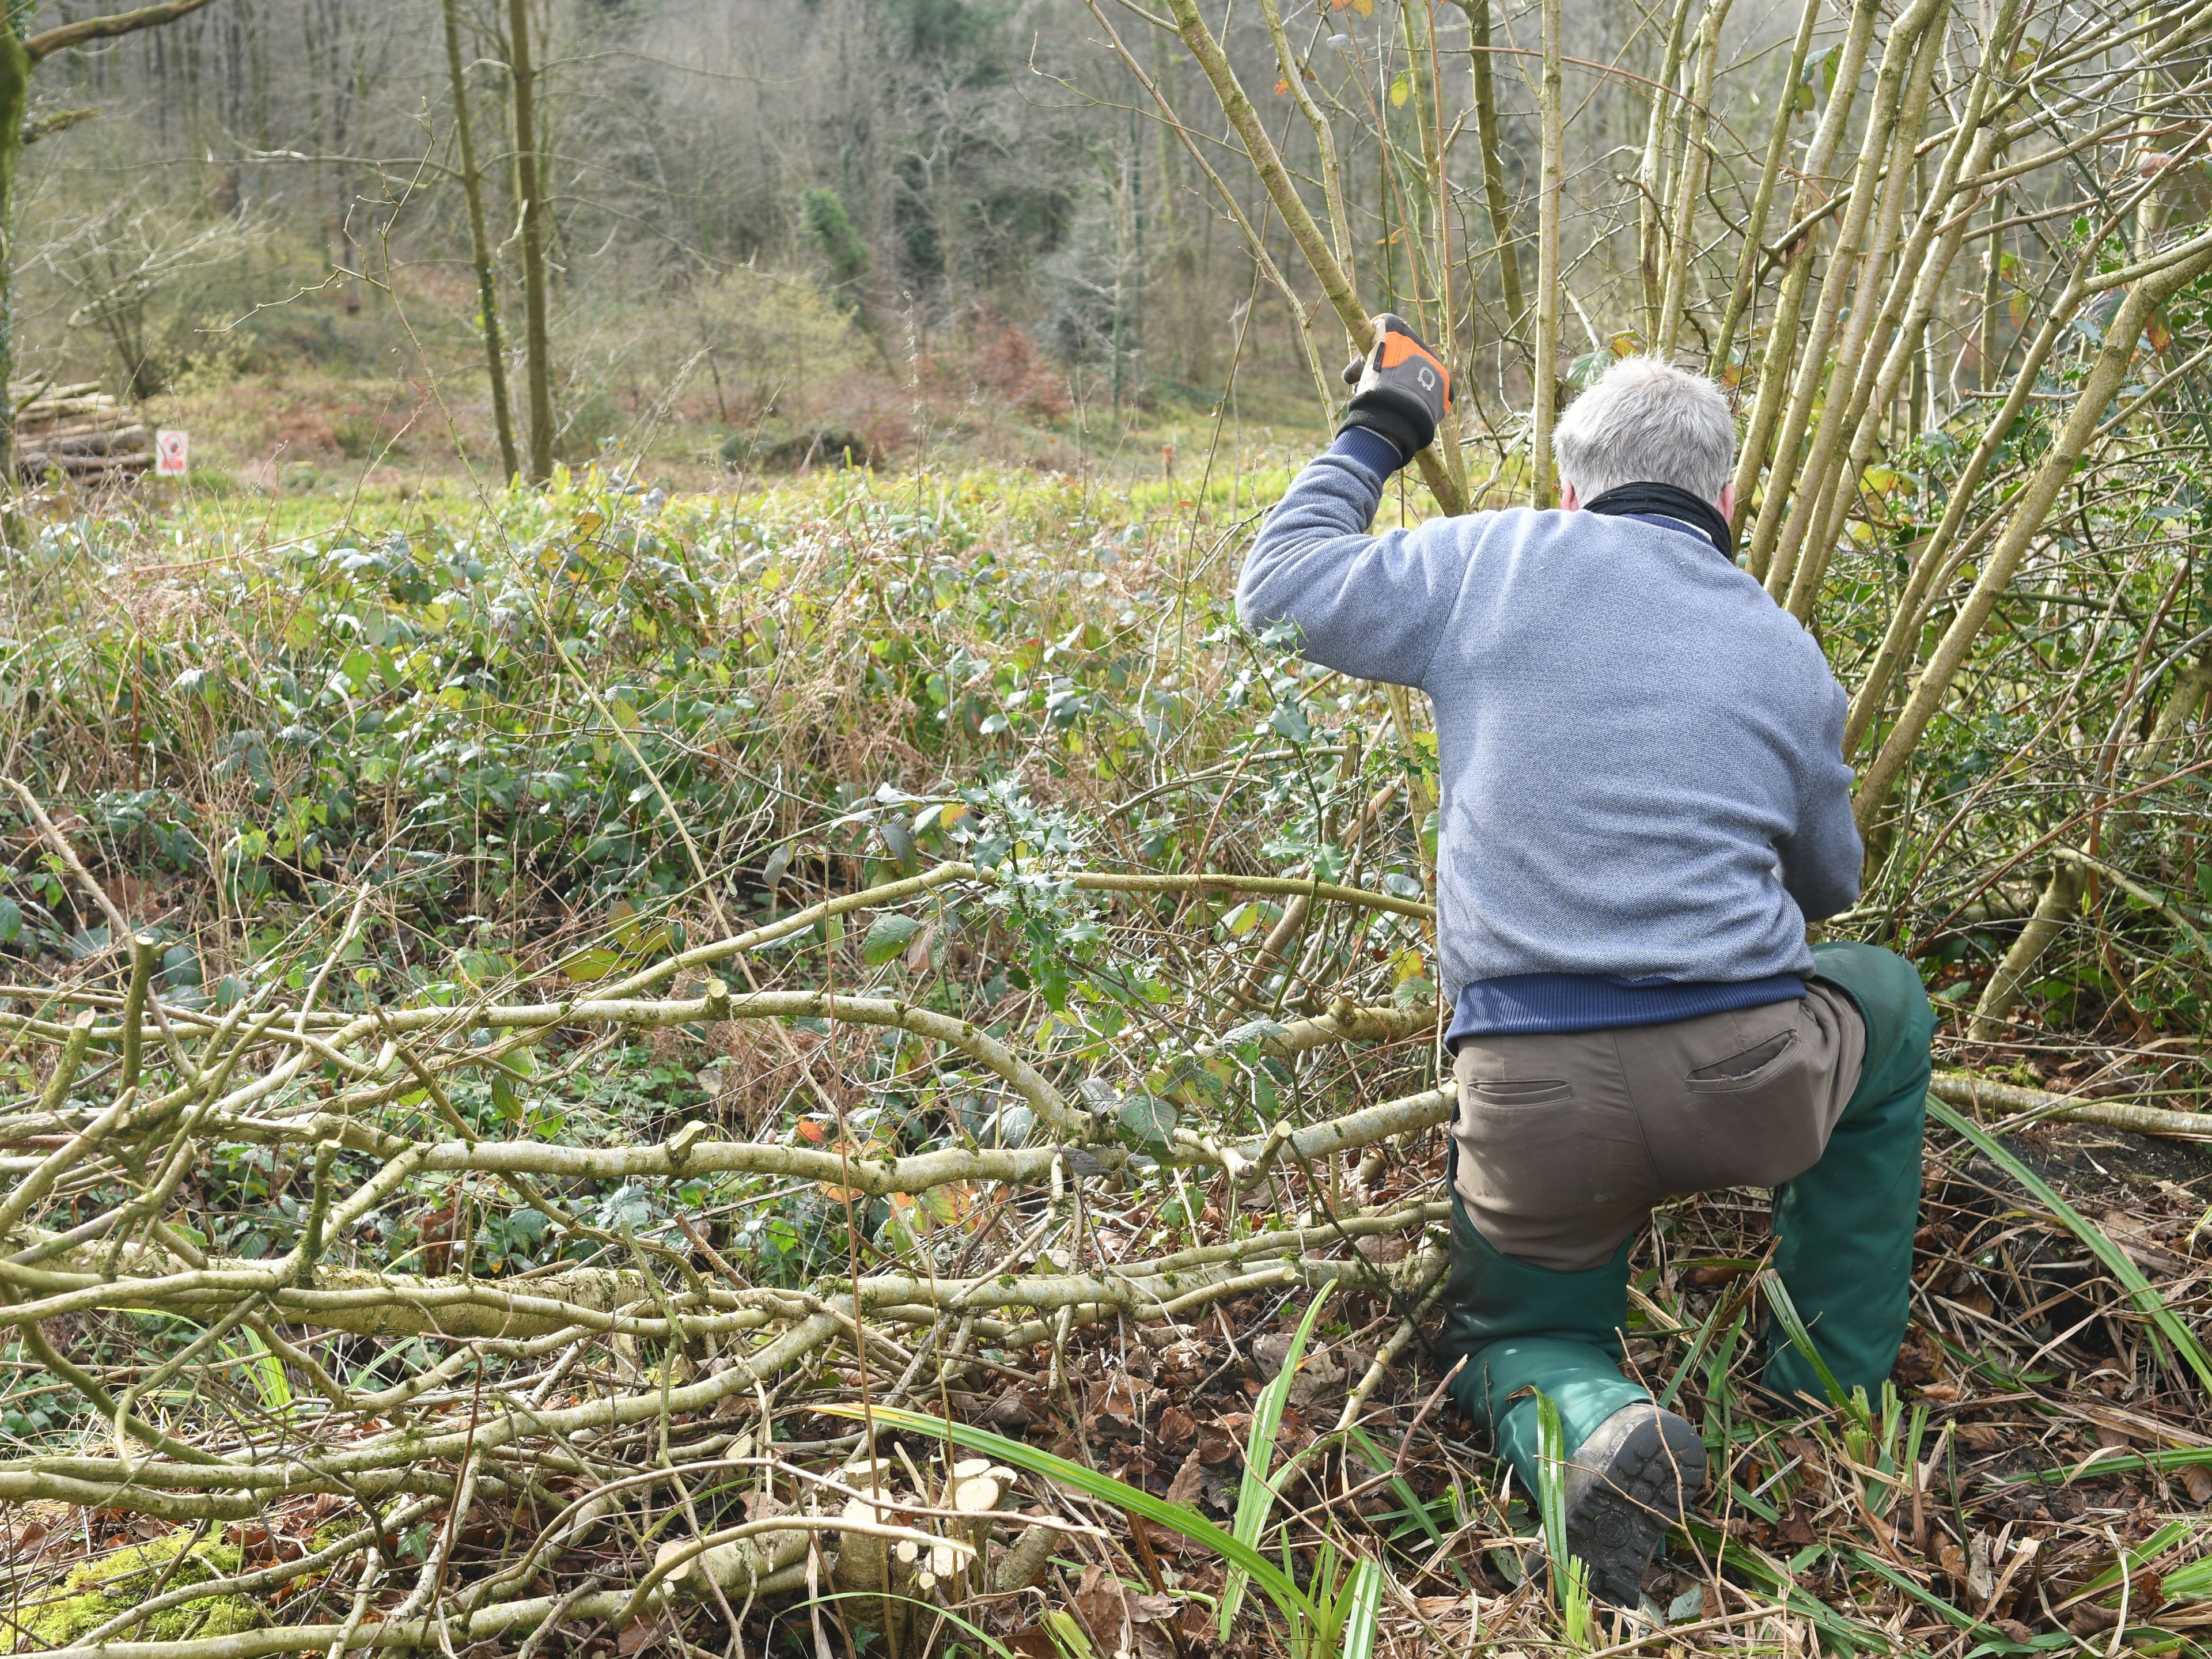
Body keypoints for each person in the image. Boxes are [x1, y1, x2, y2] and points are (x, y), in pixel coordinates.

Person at [1235, 317, 1935, 1606]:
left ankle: (1590, 1419)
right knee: (1883, 993)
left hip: (1532, 1092)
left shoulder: (1489, 561)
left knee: (1526, 1325)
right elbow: (1831, 885)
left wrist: (1385, 425)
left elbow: (1276, 595)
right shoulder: (1786, 648)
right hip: (1750, 1082)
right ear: (1727, 496)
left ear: (1572, 485)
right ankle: (1832, 1386)